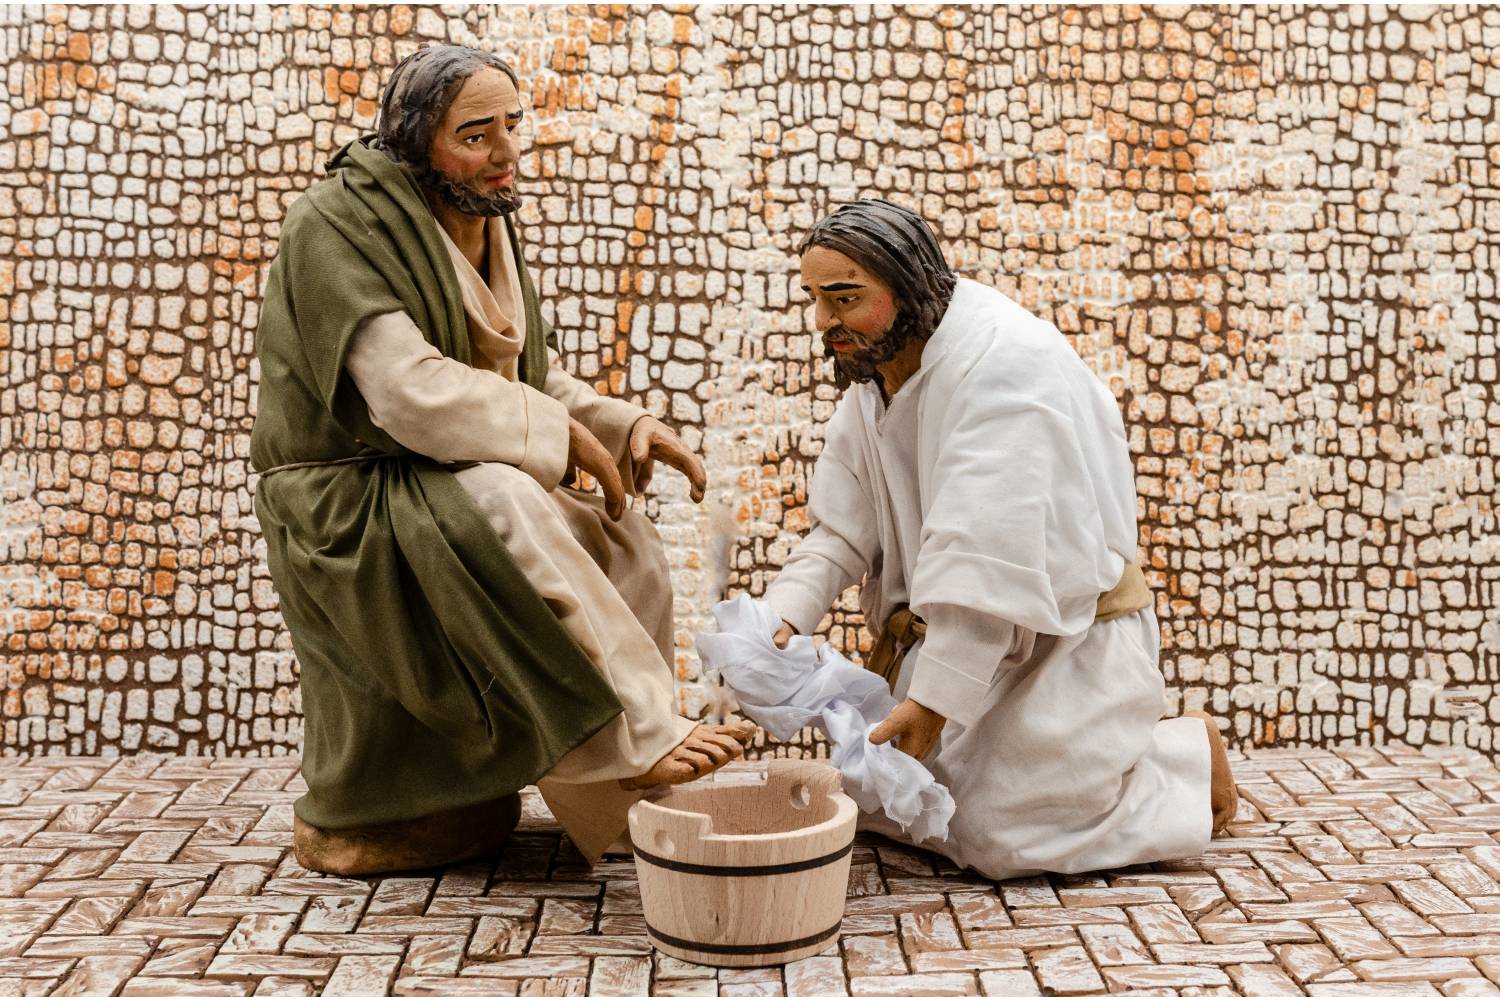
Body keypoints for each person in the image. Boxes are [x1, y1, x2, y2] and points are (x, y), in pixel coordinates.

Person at [250, 44, 750, 877]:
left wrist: (616, 422)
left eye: (513, 125)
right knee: (505, 500)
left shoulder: (478, 212)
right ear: (417, 142)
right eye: (477, 134)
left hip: (425, 470)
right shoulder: (333, 226)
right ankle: (639, 735)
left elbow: (519, 377)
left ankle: (623, 806)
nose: (507, 152)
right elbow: (406, 393)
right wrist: (552, 435)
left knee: (622, 538)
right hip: (347, 493)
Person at [764, 199, 1237, 879]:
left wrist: (933, 703)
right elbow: (842, 530)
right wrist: (780, 618)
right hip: (953, 642)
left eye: (843, 298)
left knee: (1001, 836)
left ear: (907, 286)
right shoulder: (878, 374)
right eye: (814, 299)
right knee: (880, 800)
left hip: (1059, 650)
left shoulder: (1005, 367)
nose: (822, 321)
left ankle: (1180, 759)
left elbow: (987, 551)